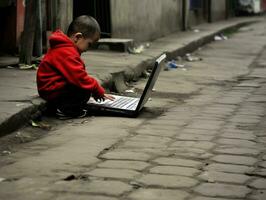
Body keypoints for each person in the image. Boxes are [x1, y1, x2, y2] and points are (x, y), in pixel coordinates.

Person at [37, 15, 114, 119]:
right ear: (77, 37)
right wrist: (96, 88)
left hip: (51, 89)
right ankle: (66, 111)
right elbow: (80, 78)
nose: (88, 49)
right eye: (89, 44)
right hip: (51, 90)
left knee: (83, 88)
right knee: (83, 91)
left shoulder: (66, 49)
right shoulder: (67, 52)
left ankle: (66, 107)